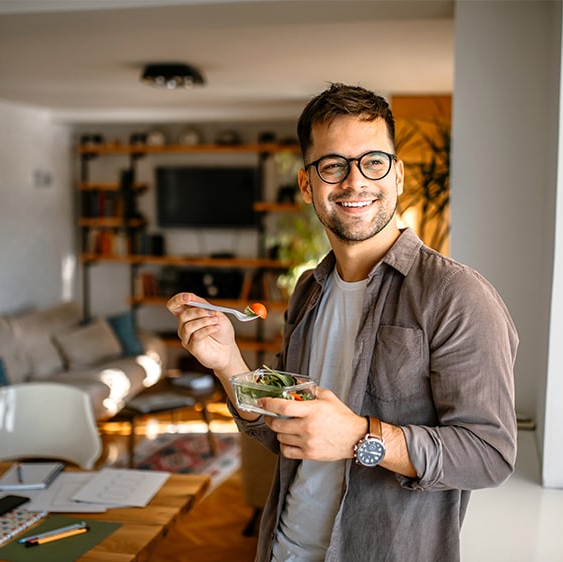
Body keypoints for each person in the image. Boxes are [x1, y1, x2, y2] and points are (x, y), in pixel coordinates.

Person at [167, 83, 518, 562]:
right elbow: (281, 429)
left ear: (398, 176)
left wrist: (359, 436)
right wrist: (228, 361)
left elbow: (489, 455)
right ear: (308, 184)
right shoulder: (310, 290)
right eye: (333, 165)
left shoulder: (458, 297)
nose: (355, 182)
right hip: (282, 548)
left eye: (373, 161)